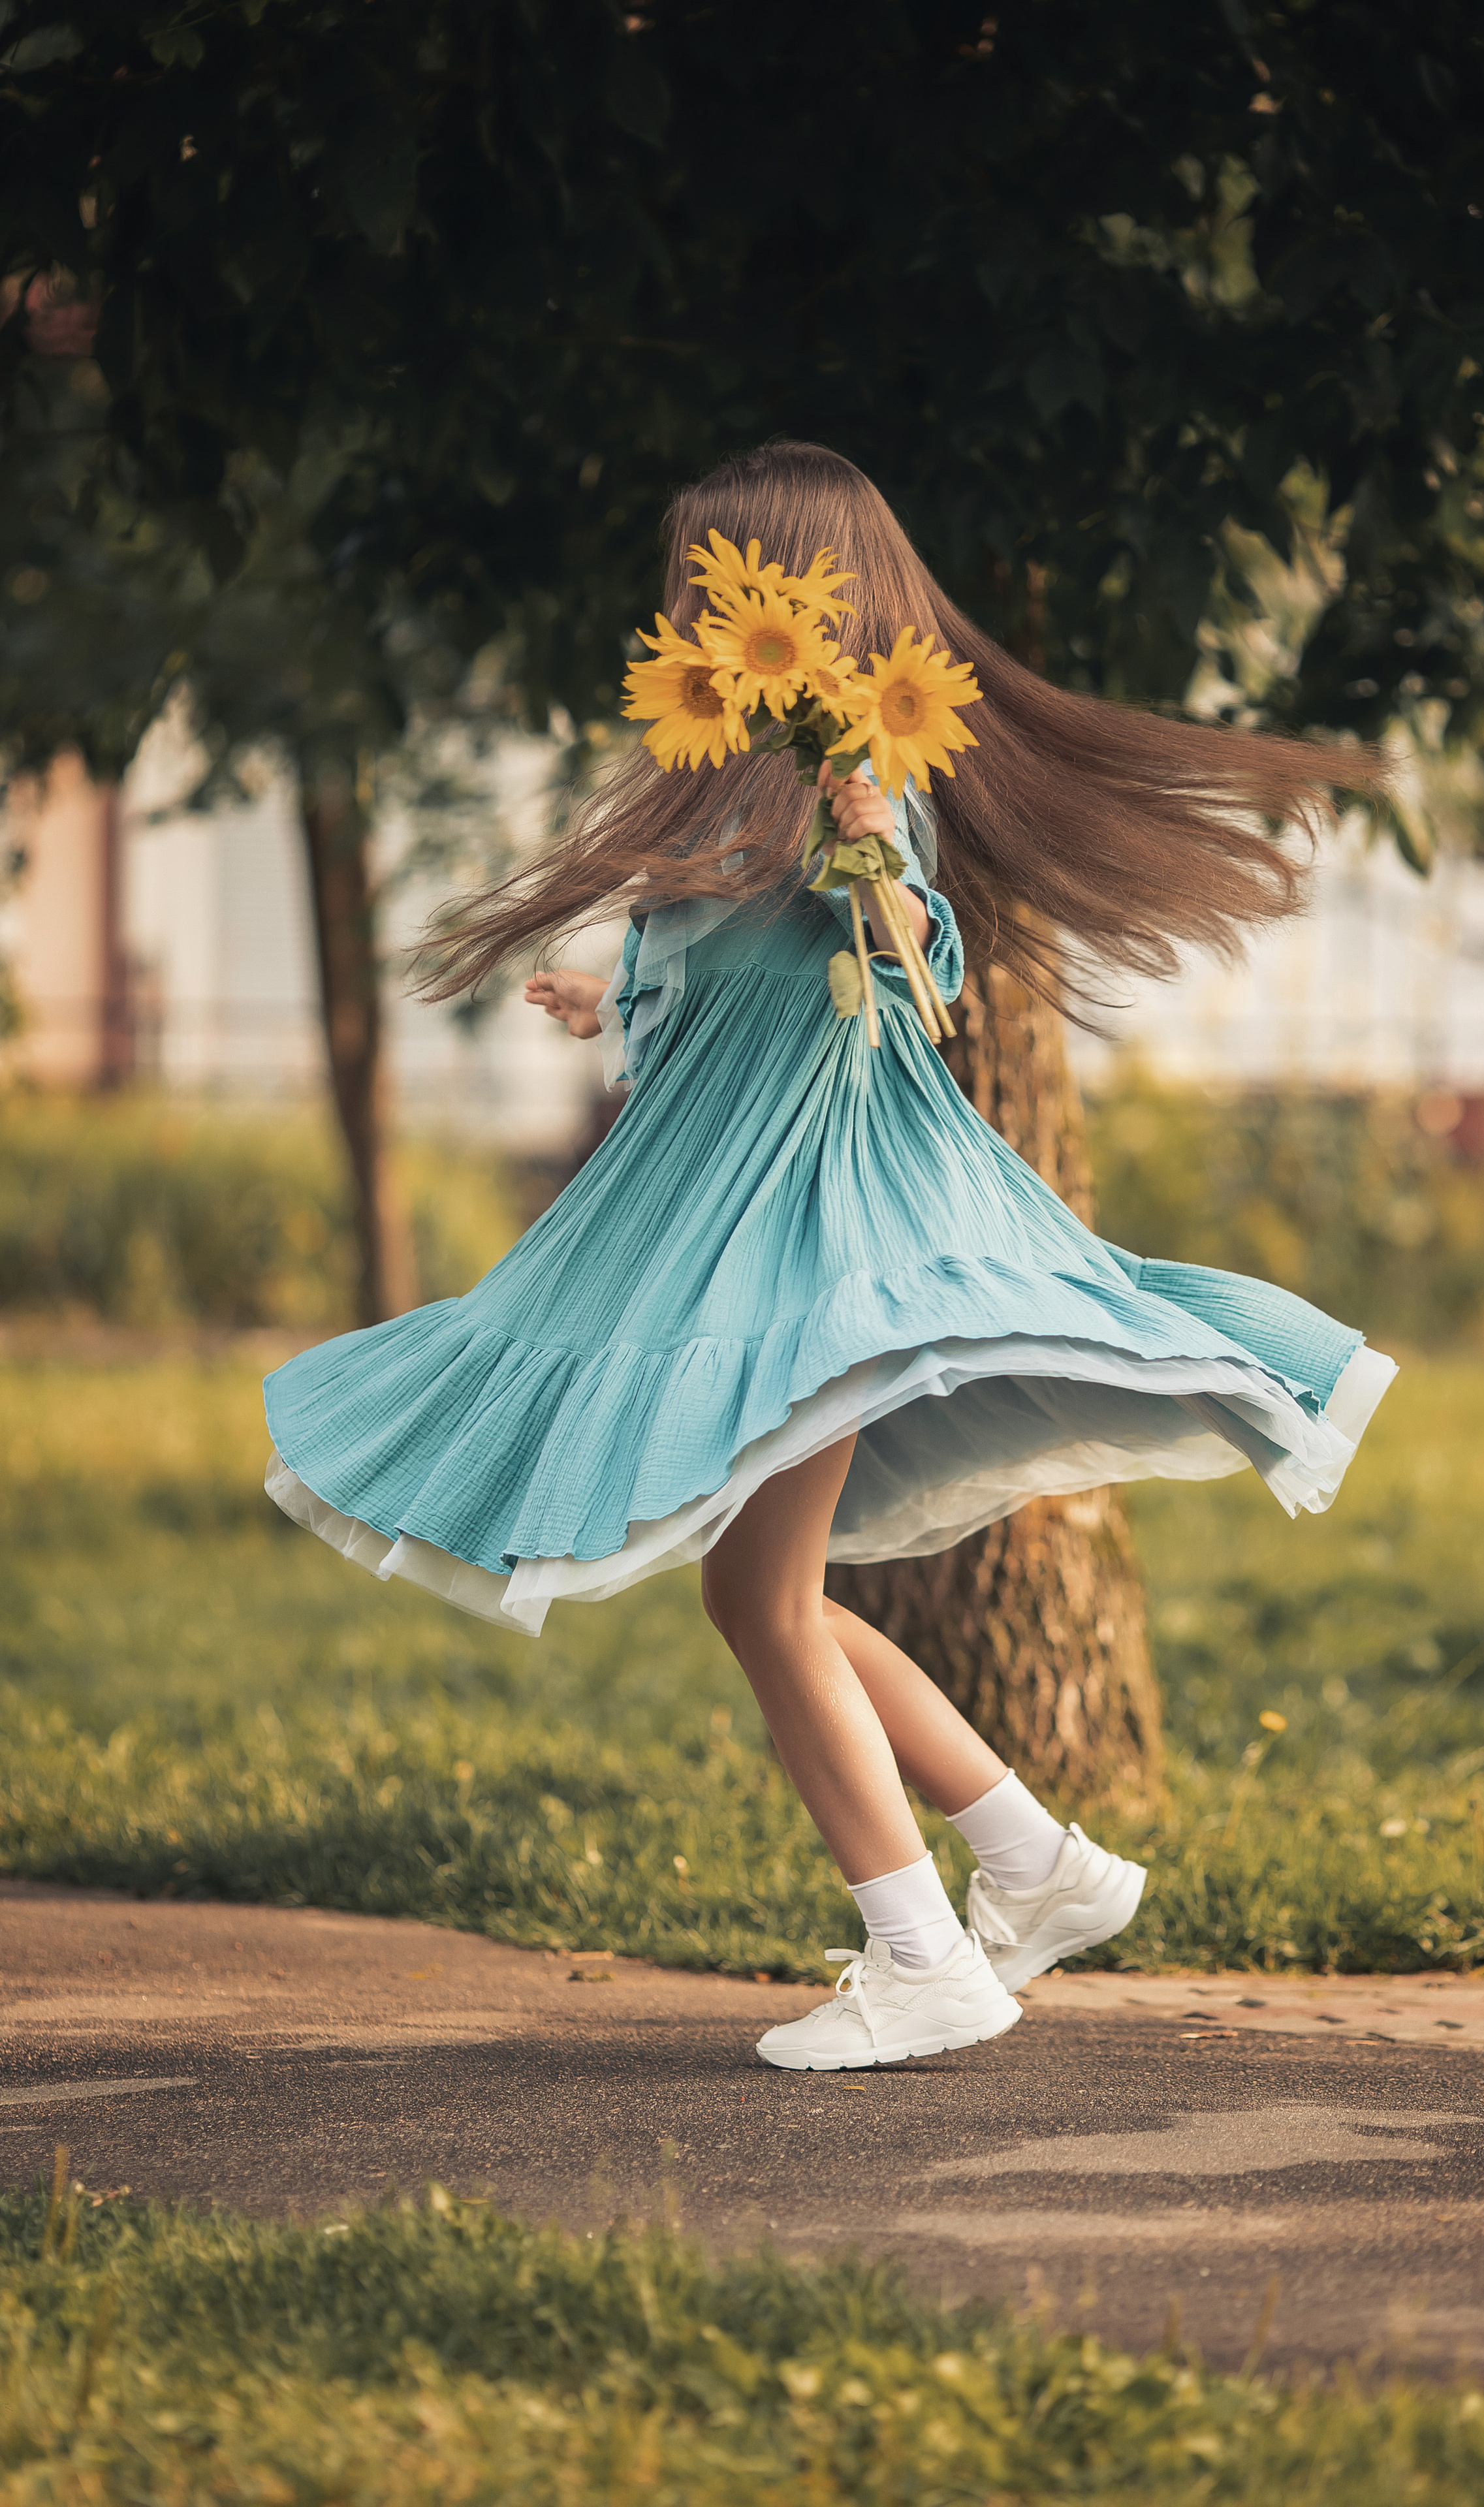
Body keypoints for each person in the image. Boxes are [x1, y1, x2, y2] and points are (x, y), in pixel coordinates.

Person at [264, 441, 1395, 2073]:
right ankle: (1035, 1865)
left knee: (768, 1605)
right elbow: (727, 1006)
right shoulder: (731, 774)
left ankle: (925, 1955)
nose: (694, 613)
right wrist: (611, 998)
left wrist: (875, 856)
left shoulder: (852, 767)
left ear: (780, 591)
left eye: (710, 580)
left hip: (821, 1236)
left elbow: (917, 972)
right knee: (757, 1587)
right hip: (747, 1223)